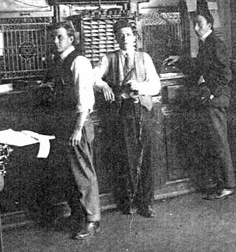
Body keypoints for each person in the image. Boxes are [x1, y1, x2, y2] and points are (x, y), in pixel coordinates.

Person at [163, 11, 235, 200]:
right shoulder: (207, 44)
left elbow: (226, 74)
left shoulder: (215, 43)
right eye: (194, 24)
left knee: (219, 142)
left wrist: (212, 94)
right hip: (212, 99)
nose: (196, 28)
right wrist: (181, 59)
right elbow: (203, 65)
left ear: (210, 25)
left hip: (215, 99)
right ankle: (221, 183)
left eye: (199, 24)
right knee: (215, 141)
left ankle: (228, 185)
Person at [93, 20, 161, 218]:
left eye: (129, 35)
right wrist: (103, 86)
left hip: (142, 109)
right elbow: (92, 76)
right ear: (116, 38)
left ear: (135, 37)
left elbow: (155, 85)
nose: (125, 39)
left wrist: (139, 87)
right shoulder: (109, 58)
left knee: (145, 156)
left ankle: (147, 203)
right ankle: (128, 201)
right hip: (122, 112)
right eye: (121, 35)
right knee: (126, 157)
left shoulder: (144, 58)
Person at [42, 21, 101, 240]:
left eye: (59, 37)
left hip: (78, 125)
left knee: (83, 174)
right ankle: (77, 215)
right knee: (69, 175)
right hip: (64, 125)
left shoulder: (79, 61)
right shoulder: (60, 62)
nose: (55, 41)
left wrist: (77, 130)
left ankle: (91, 219)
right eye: (53, 37)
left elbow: (84, 101)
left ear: (71, 39)